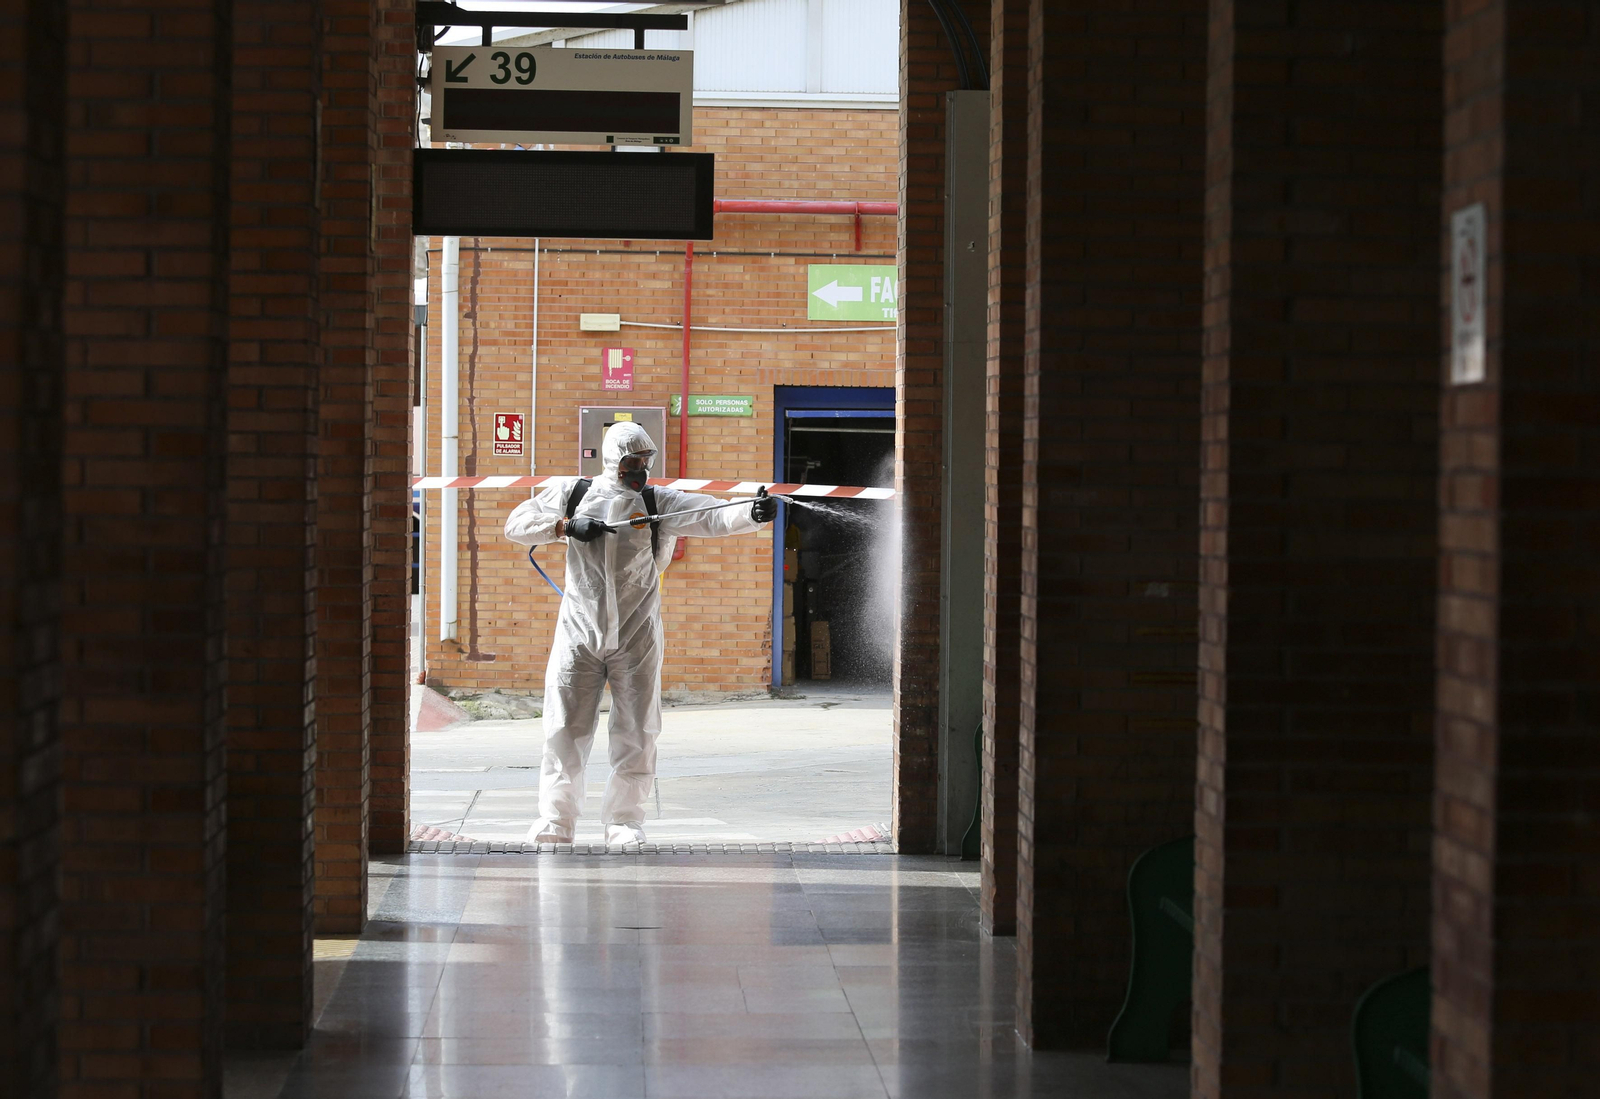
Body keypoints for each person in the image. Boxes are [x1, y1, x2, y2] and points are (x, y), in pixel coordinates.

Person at [504, 421, 779, 846]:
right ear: (613, 460)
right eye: (632, 462)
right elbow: (517, 524)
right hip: (579, 631)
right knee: (564, 729)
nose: (640, 471)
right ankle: (556, 822)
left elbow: (706, 513)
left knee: (637, 731)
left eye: (646, 462)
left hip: (638, 633)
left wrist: (750, 512)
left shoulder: (656, 501)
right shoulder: (573, 493)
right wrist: (564, 527)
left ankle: (624, 822)